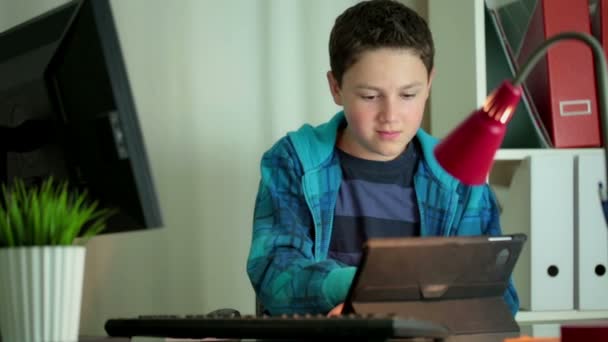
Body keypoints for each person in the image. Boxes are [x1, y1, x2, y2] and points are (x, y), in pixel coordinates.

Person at [246, 0, 518, 317]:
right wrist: (363, 286)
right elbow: (274, 274)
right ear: (336, 87)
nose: (390, 116)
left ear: (429, 83)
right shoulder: (293, 161)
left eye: (408, 95)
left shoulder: (458, 177)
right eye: (370, 96)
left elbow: (499, 297)